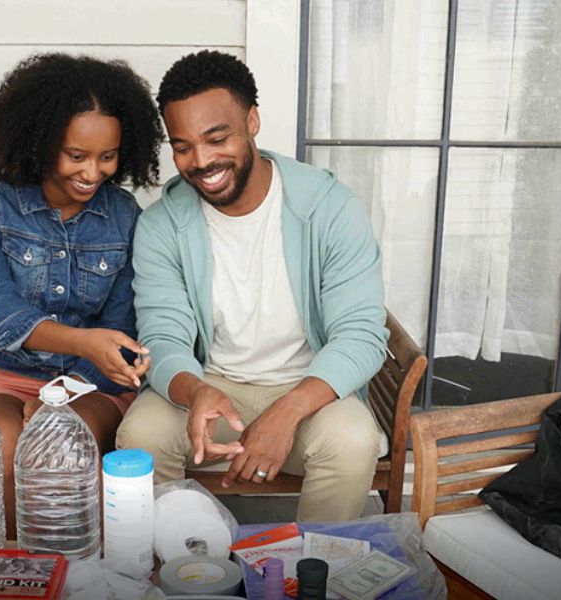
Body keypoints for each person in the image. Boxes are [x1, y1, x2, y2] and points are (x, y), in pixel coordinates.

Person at [116, 50, 388, 522]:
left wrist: (287, 413)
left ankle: (315, 570)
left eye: (217, 138)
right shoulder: (163, 225)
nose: (201, 161)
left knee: (352, 441)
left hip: (309, 387)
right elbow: (163, 334)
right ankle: (164, 571)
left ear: (253, 121)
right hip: (211, 384)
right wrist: (196, 392)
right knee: (141, 435)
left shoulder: (331, 209)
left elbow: (362, 335)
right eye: (182, 147)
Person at [0, 53, 163, 535]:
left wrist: (69, 388)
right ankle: (10, 572)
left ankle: (68, 572)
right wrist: (84, 341)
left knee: (60, 443)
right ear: (40, 142)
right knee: (2, 443)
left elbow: (122, 325)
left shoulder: (124, 215)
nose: (93, 172)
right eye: (77, 155)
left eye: (107, 156)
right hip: (2, 375)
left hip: (90, 383)